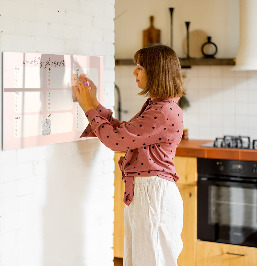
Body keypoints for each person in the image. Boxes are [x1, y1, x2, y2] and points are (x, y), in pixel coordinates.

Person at [73, 44, 185, 266]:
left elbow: (116, 141)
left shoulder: (162, 111)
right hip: (148, 193)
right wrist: (94, 103)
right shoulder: (158, 106)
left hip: (153, 195)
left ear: (156, 72)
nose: (134, 72)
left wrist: (88, 108)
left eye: (140, 67)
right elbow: (124, 133)